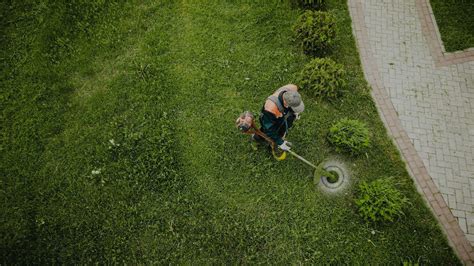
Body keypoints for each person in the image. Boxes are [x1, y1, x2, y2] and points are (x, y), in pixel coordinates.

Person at [253, 84, 304, 151]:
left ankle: (278, 139)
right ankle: (257, 139)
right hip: (270, 119)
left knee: (282, 129)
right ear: (286, 103)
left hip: (282, 114)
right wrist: (280, 143)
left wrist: (295, 113)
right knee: (268, 131)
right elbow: (269, 129)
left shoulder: (292, 88)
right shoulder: (270, 109)